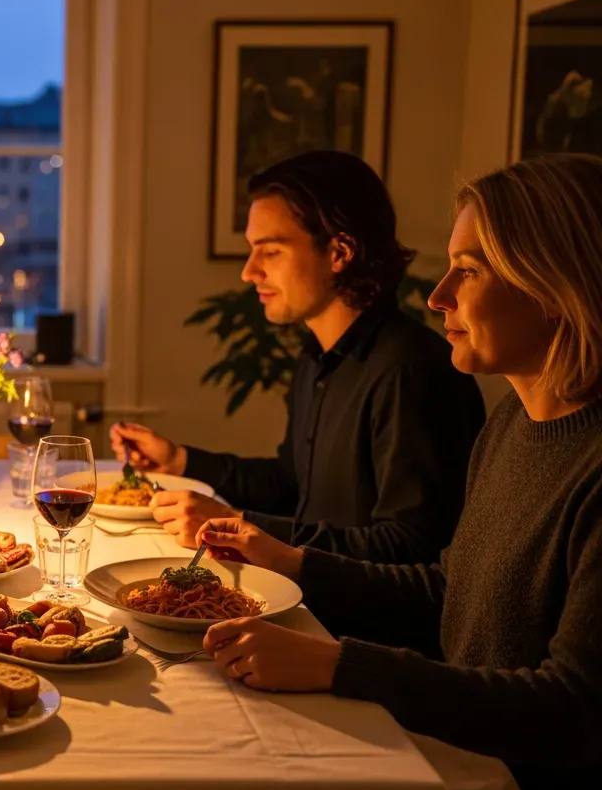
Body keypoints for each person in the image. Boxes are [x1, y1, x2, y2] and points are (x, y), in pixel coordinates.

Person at [194, 153, 602, 790]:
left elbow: (570, 712)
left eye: (469, 270)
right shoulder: (511, 425)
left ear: (556, 280)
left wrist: (338, 665)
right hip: (453, 750)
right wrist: (293, 565)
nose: (438, 295)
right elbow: (447, 586)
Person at [112, 151, 485, 564]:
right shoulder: (316, 357)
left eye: (270, 251)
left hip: (350, 625)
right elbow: (292, 484)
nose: (249, 271)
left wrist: (239, 523)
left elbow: (412, 548)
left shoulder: (410, 370)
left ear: (340, 252)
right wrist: (179, 460)